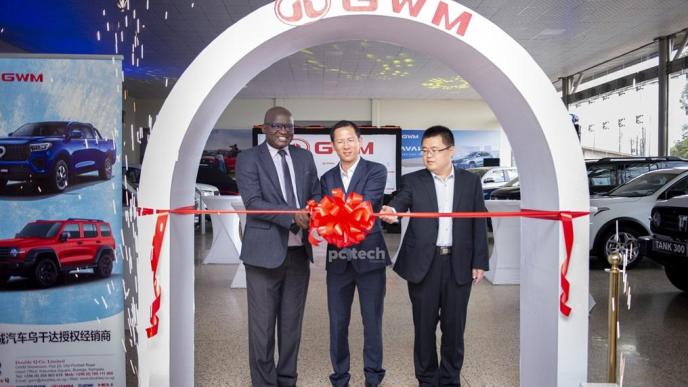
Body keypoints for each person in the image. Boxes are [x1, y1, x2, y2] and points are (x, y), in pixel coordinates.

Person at [380, 125, 489, 387]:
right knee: (424, 328)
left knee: (454, 329)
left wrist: (480, 262)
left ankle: (450, 379)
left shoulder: (470, 181)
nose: (428, 156)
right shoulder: (414, 181)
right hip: (423, 265)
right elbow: (399, 202)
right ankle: (427, 380)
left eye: (434, 150)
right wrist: (391, 211)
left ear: (451, 151)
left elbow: (479, 221)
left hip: (458, 263)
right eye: (424, 150)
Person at [235, 106, 321, 387]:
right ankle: (263, 383)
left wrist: (318, 212)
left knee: (291, 327)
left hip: (298, 255)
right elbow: (254, 203)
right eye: (277, 126)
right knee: (261, 330)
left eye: (288, 127)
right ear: (264, 128)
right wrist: (292, 215)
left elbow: (315, 195)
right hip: (262, 256)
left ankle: (287, 380)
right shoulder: (249, 158)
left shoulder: (304, 157)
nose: (283, 132)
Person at [319, 121, 390, 387]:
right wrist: (335, 214)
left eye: (351, 139)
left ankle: (373, 377)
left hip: (369, 257)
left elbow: (364, 208)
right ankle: (340, 377)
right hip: (338, 261)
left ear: (360, 141)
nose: (346, 145)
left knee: (372, 322)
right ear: (333, 145)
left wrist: (335, 213)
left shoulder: (376, 171)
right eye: (340, 141)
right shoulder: (326, 178)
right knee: (337, 323)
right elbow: (324, 215)